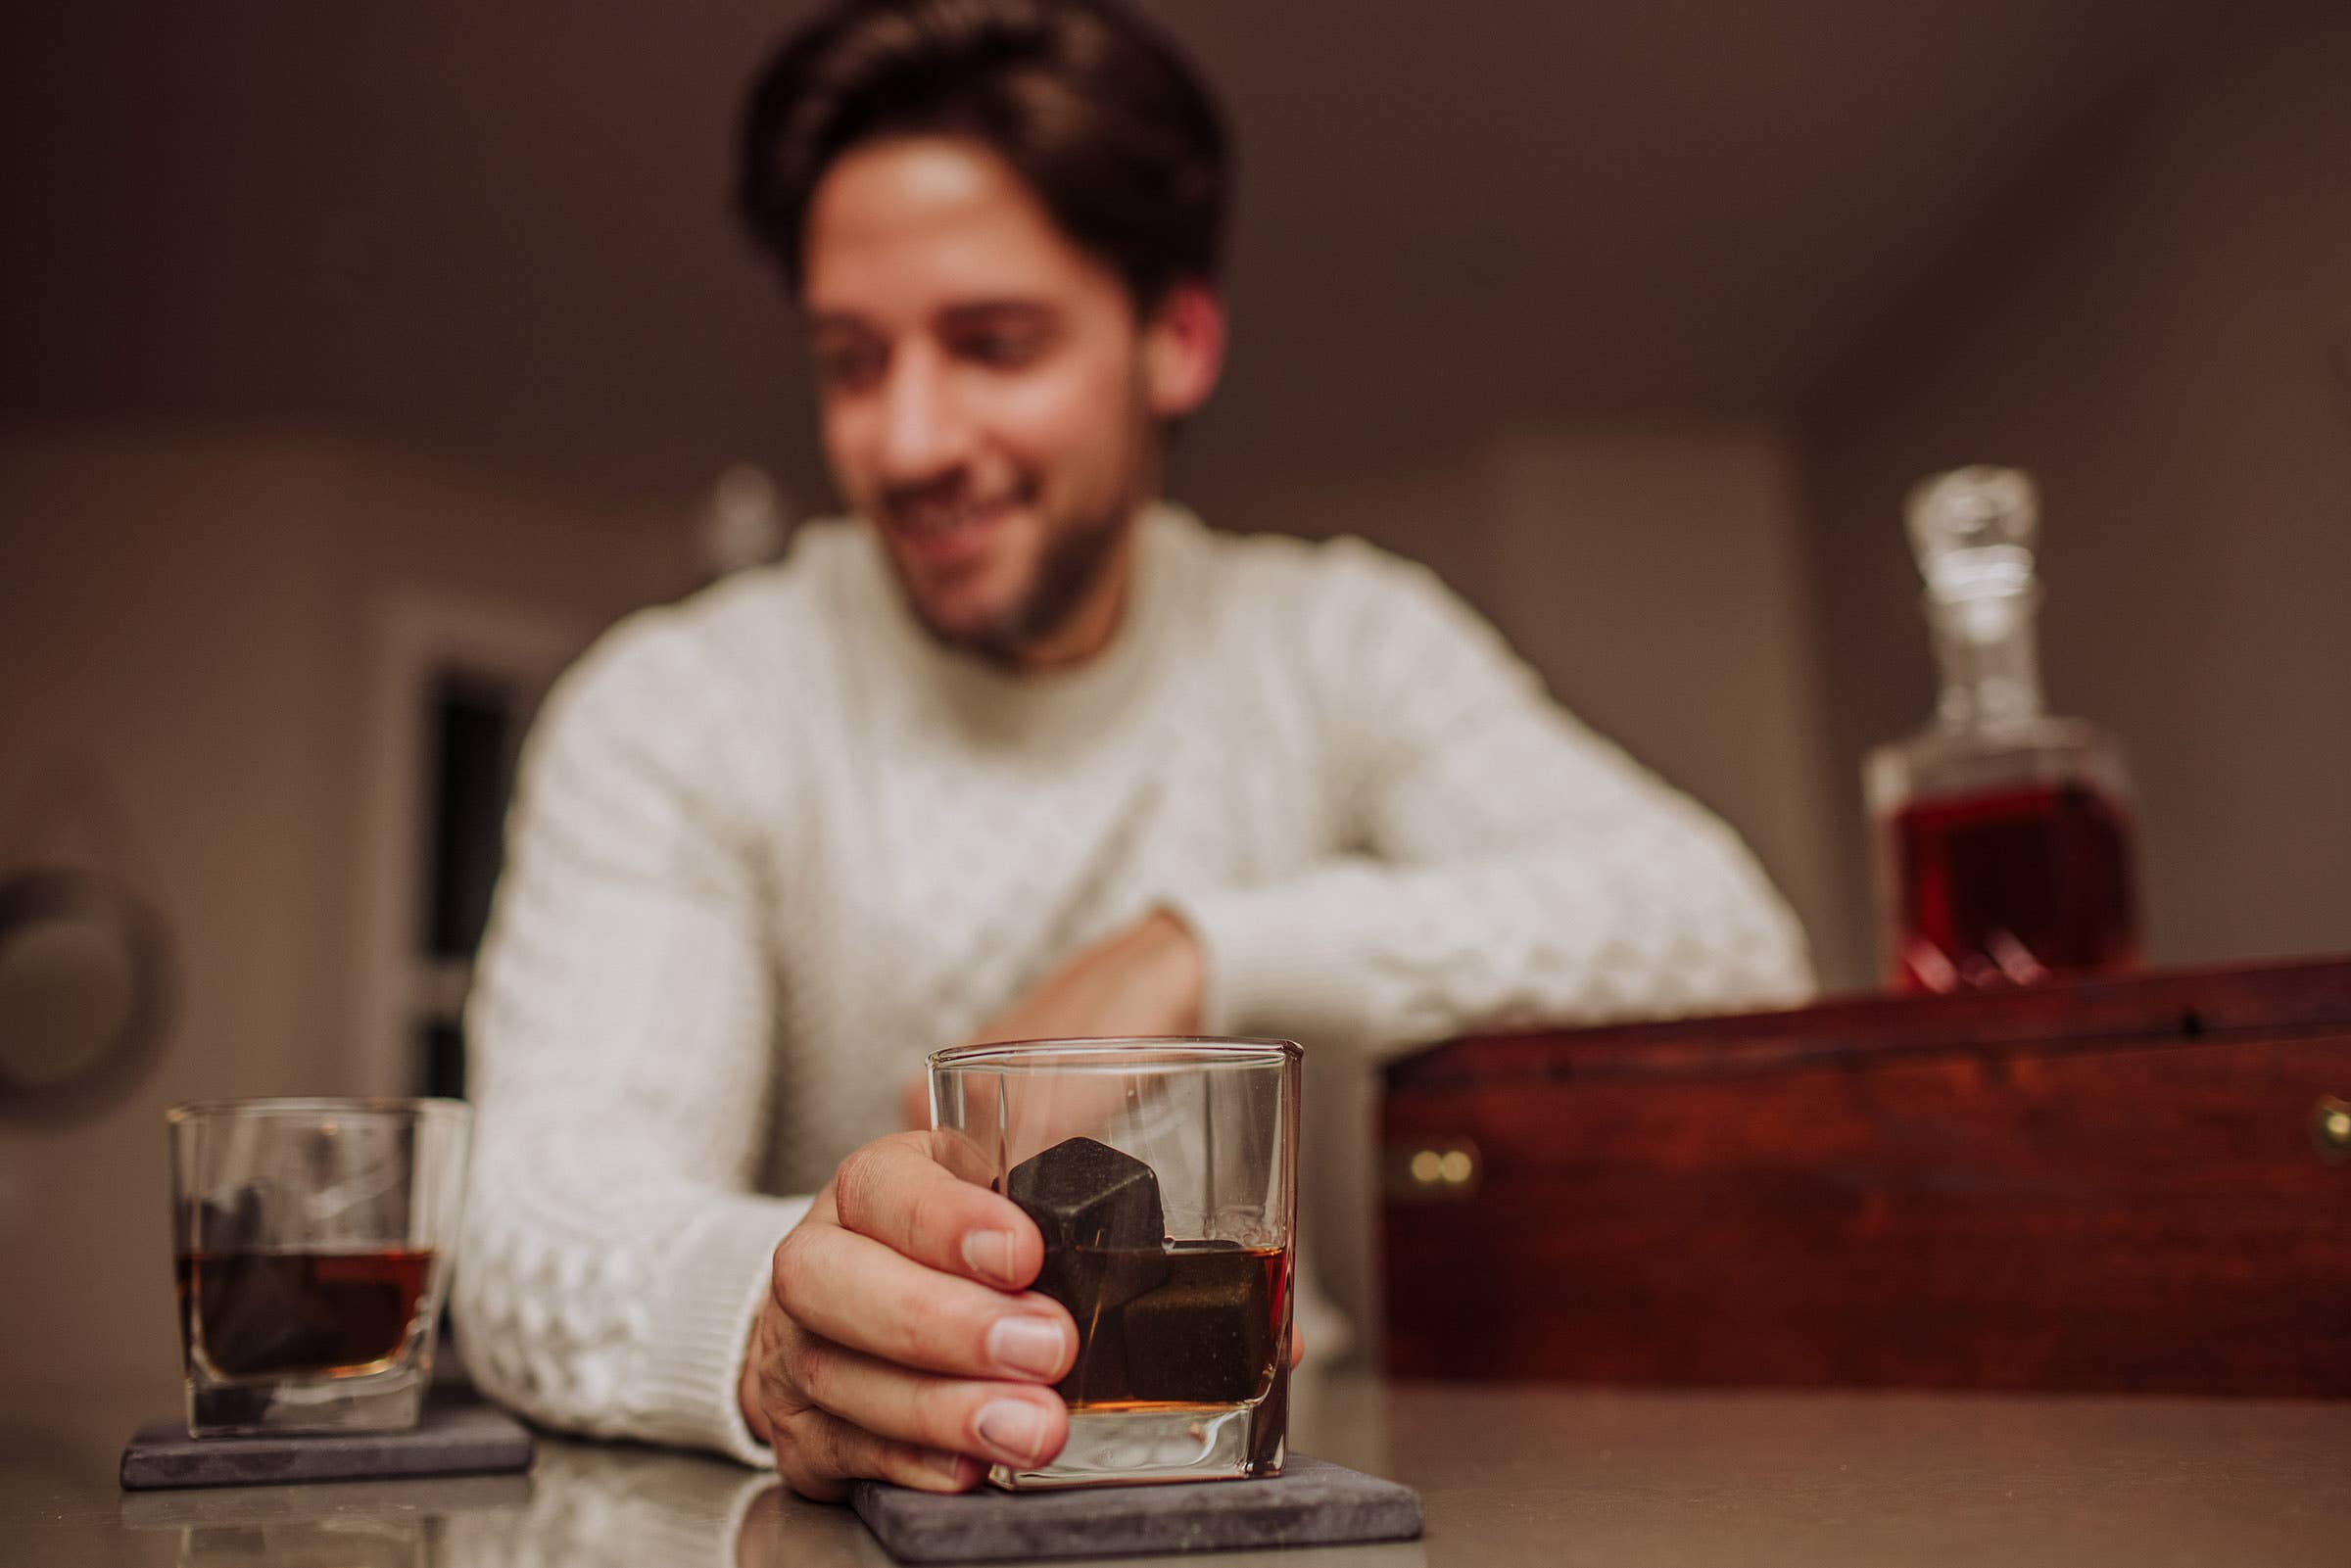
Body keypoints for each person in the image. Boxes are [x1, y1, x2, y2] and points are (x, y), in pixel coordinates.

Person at [452, 0, 1811, 1503]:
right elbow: (537, 1225)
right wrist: (771, 1333)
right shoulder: (675, 704)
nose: (906, 440)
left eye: (995, 344)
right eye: (851, 360)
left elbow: (1727, 930)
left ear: (1177, 337)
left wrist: (1202, 954)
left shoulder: (1342, 641)